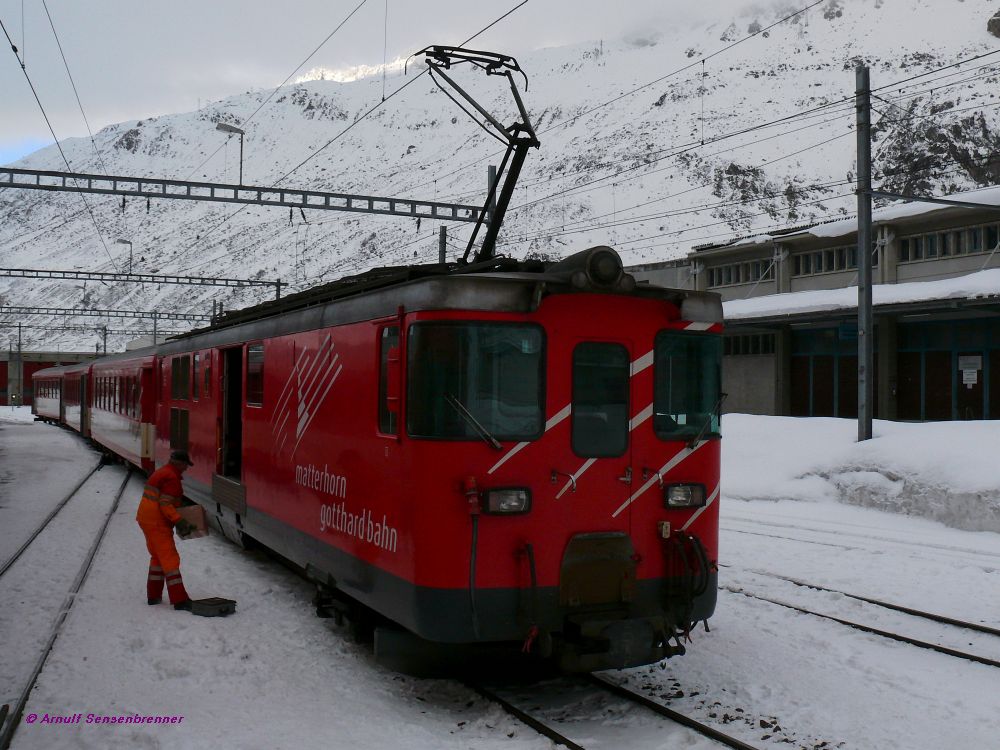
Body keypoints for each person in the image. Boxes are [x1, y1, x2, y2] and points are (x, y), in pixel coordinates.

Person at [136, 450, 197, 611]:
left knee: (157, 557)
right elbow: (165, 504)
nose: (186, 469)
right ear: (179, 463)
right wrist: (179, 520)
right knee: (170, 559)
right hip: (157, 522)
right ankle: (180, 600)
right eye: (185, 465)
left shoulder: (163, 472)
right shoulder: (172, 478)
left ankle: (153, 595)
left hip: (145, 518)